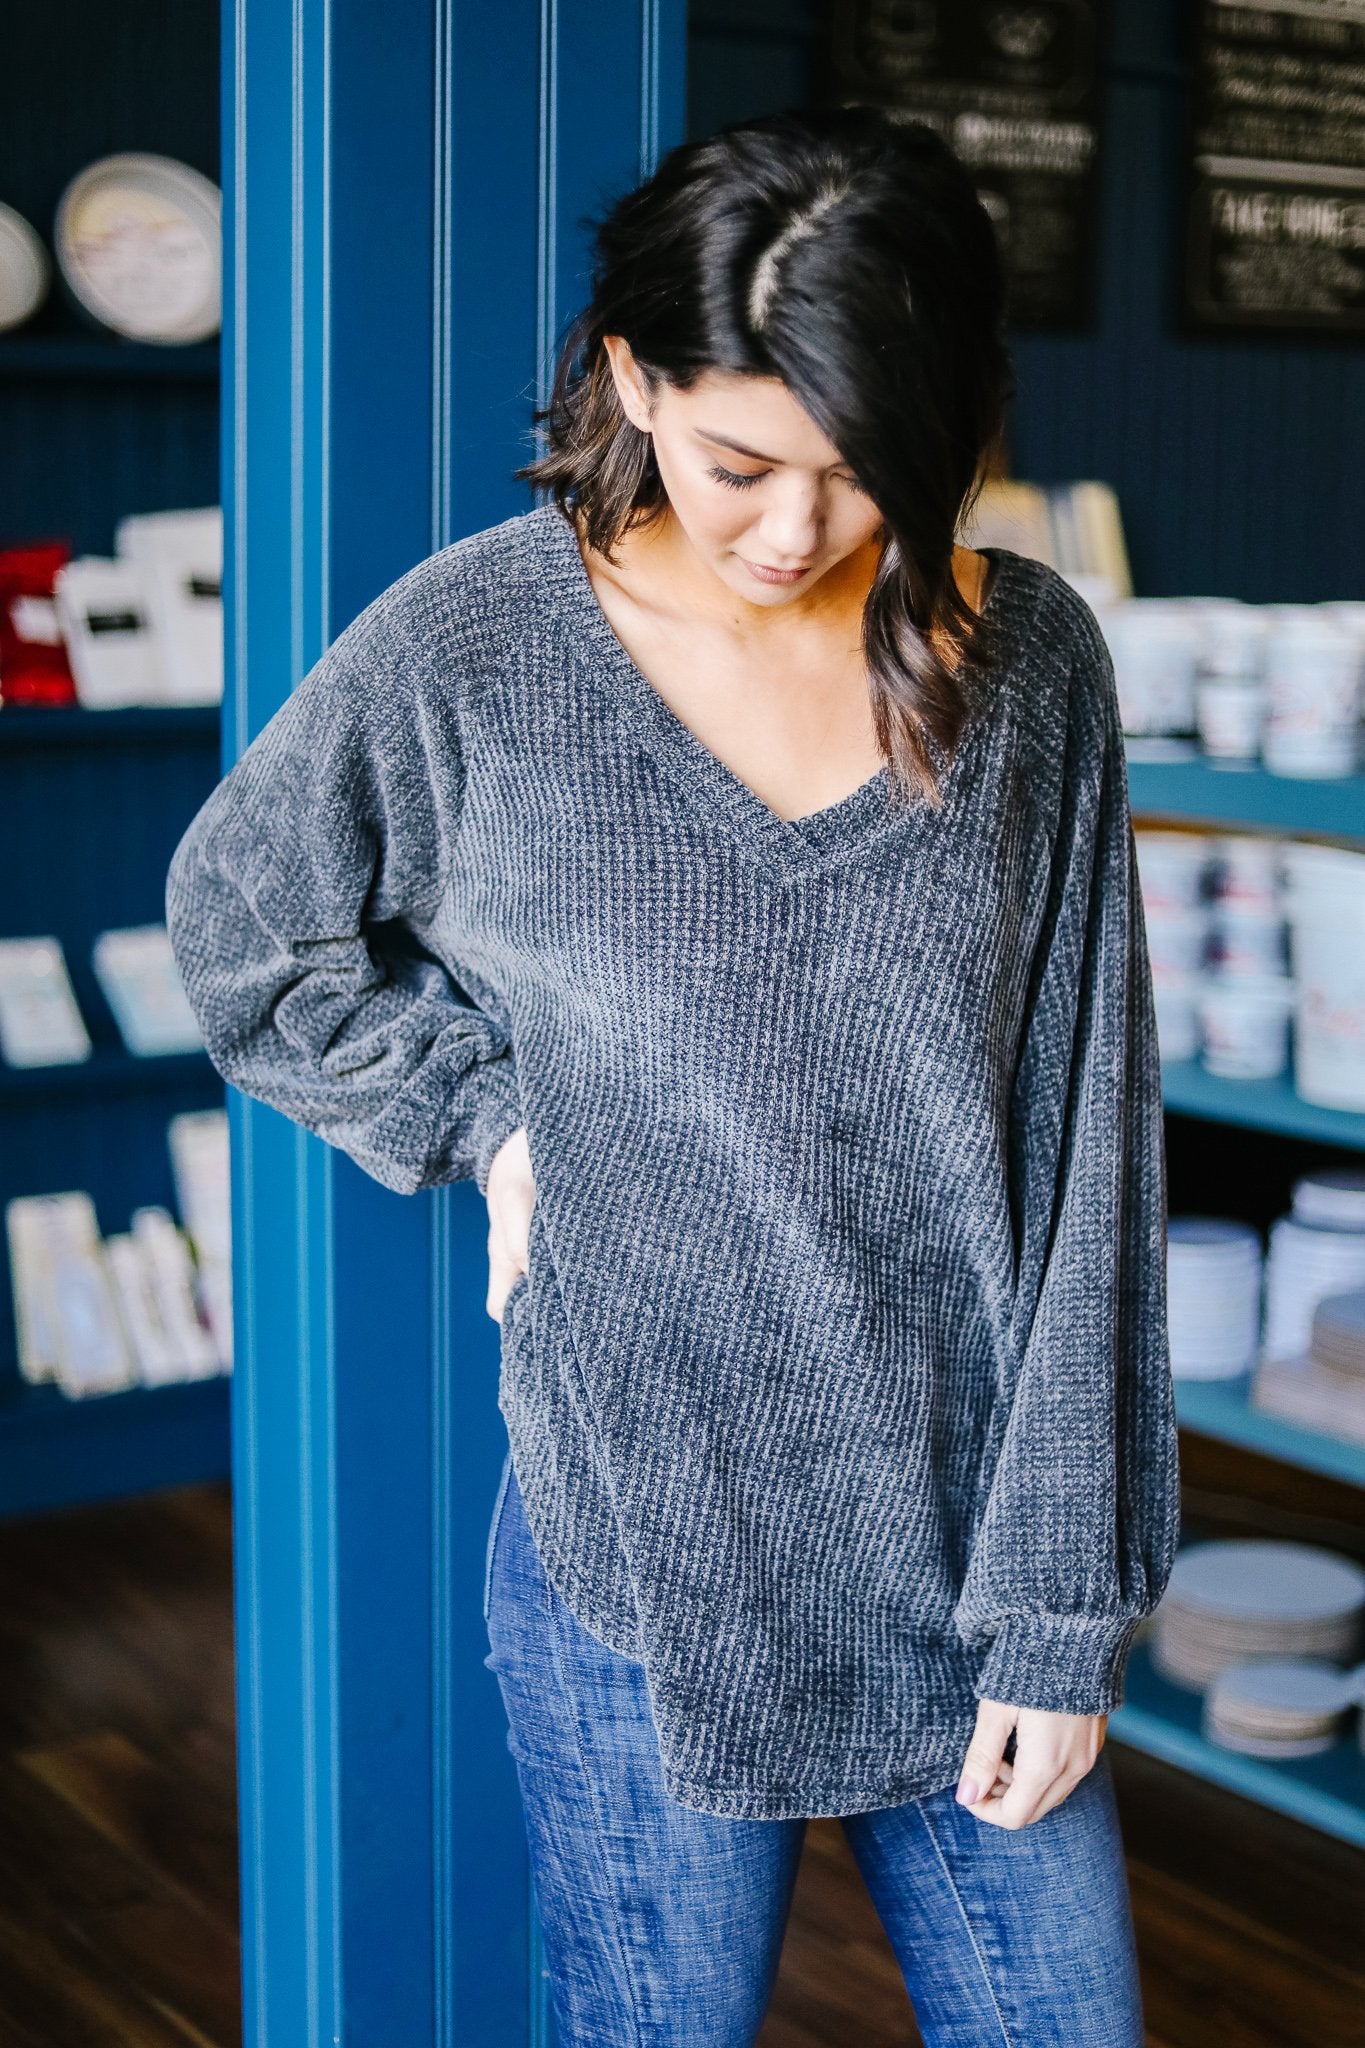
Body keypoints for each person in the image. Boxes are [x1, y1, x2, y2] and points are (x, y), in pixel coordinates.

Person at [166, 104, 1180, 2048]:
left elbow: (1086, 1162)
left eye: (856, 468)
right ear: (630, 374)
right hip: (638, 1559)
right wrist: (480, 1114)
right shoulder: (476, 646)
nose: (794, 530)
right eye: (733, 461)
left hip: (971, 1565)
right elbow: (244, 925)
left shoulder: (1029, 665)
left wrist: (1064, 1615)